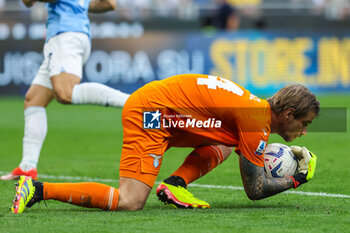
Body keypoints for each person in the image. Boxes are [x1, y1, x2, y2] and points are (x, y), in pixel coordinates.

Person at [10, 74, 319, 213]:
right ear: (288, 114)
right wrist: (296, 178)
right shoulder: (255, 123)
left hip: (169, 112)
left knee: (228, 142)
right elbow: (255, 190)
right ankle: (37, 190)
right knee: (130, 201)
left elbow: (243, 151)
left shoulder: (253, 113)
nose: (304, 131)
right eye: (304, 124)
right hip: (153, 114)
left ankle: (174, 183)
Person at [0, 0, 130, 181]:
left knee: (65, 93)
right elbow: (109, 3)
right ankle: (27, 167)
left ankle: (132, 101)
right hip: (74, 34)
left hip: (65, 34)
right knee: (34, 100)